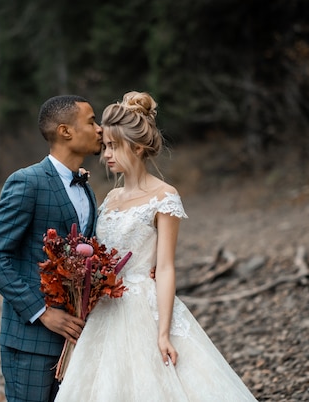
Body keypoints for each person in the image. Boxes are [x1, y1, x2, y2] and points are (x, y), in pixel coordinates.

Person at [54, 92, 257, 401]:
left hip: (143, 306)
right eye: (105, 146)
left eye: (115, 146)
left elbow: (164, 267)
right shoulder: (110, 197)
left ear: (137, 147)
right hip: (104, 307)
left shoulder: (164, 197)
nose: (106, 154)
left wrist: (163, 332)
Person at [0, 95, 103, 402]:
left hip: (77, 340)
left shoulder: (85, 188)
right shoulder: (27, 182)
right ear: (65, 131)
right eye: (91, 121)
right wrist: (42, 312)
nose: (99, 129)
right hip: (30, 342)